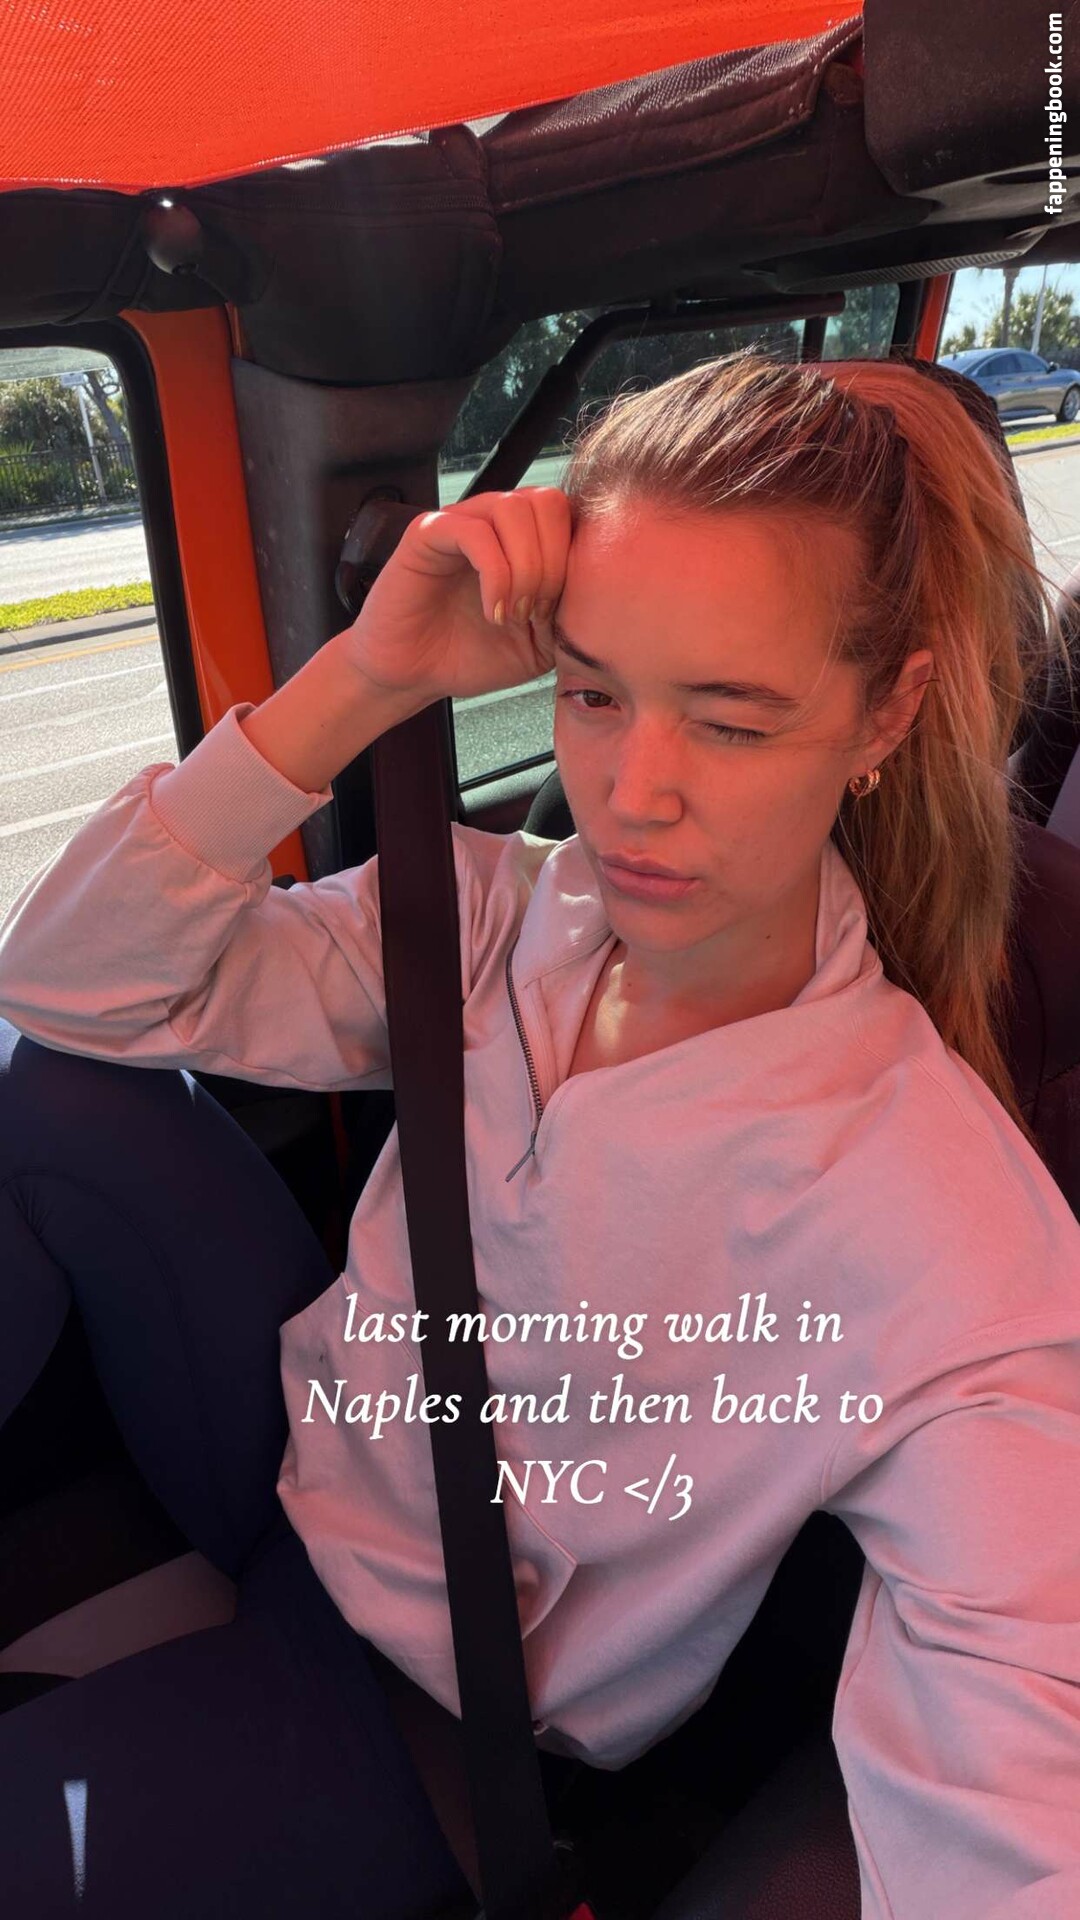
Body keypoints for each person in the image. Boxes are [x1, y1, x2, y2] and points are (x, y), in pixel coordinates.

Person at [0, 346, 1078, 1919]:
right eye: (592, 693)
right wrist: (365, 679)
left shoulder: (938, 1222)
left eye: (731, 723)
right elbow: (67, 977)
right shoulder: (495, 910)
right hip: (300, 1462)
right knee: (50, 1085)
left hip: (431, 1716)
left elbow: (1021, 1760)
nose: (633, 793)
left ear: (884, 714)